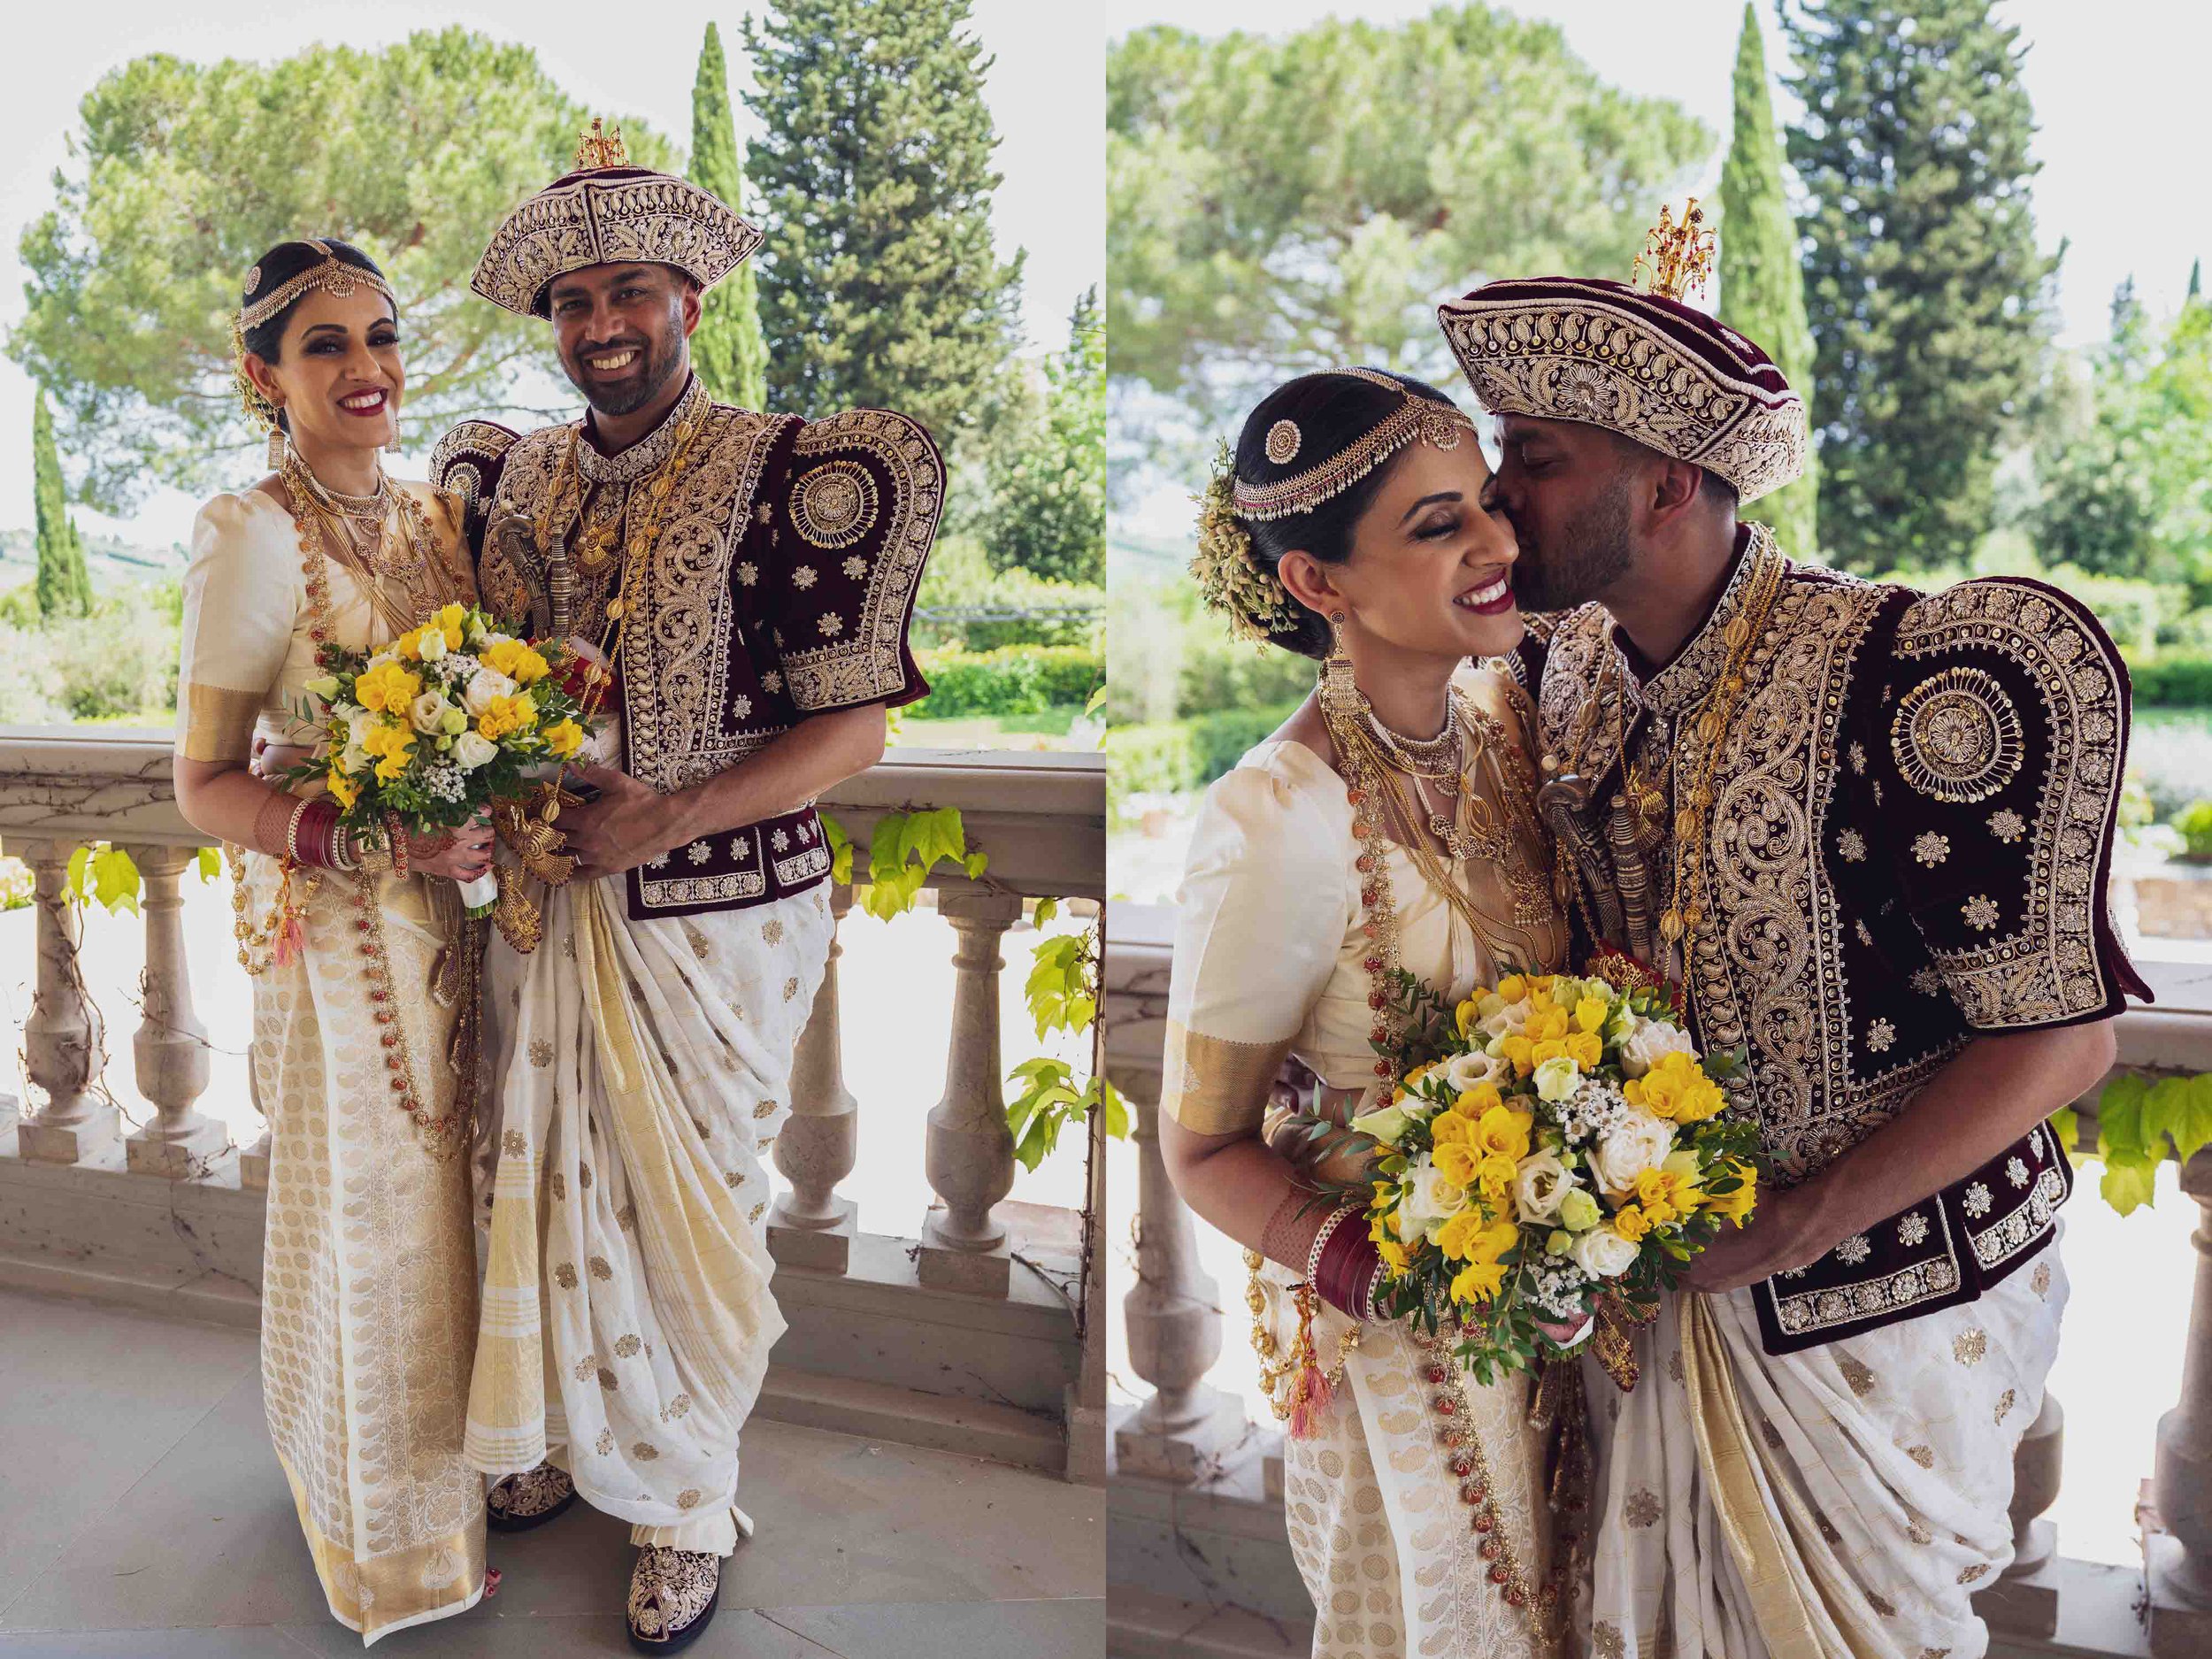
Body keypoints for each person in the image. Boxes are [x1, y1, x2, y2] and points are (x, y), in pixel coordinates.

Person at [1434, 211, 2147, 1659]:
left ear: (1670, 485)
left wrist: (1802, 1222)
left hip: (1887, 1314)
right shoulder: (1552, 671)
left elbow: (2065, 1041)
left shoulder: (1906, 678)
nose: (1500, 501)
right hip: (1658, 1283)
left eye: (1537, 459)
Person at [429, 120, 941, 1653]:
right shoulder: (503, 480)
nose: (602, 325)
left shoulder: (797, 472)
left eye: (631, 290)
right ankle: (556, 1437)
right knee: (528, 1181)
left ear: (690, 301)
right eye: (575, 301)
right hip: (541, 904)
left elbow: (856, 723)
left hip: (718, 919)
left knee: (695, 1209)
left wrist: (674, 814)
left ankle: (682, 1502)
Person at [1161, 366, 1584, 1659]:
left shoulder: (1506, 722)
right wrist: (1394, 1280)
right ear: (1317, 585)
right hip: (1410, 1360)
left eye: (1490, 507)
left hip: (1570, 1305)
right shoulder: (1273, 821)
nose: (1498, 544)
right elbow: (1202, 1152)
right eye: (1439, 523)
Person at [172, 237, 496, 1643]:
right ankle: (392, 1544)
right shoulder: (250, 534)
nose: (366, 368)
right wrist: (378, 841)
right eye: (325, 347)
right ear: (263, 375)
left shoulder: (437, 522)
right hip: (340, 938)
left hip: (468, 929)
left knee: (467, 1211)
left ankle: (485, 1479)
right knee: (371, 1227)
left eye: (381, 337)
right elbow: (204, 783)